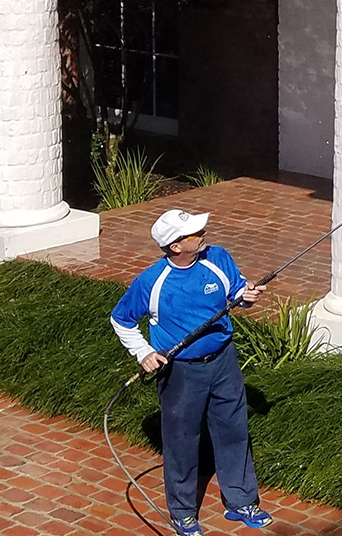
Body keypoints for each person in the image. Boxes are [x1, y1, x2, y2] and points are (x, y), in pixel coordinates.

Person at [110, 209, 274, 536]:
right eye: (194, 233)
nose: (203, 234)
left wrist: (246, 297)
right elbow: (121, 319)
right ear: (174, 246)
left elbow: (237, 291)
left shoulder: (217, 257)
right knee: (182, 441)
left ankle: (241, 501)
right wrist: (144, 353)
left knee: (233, 430)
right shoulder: (151, 282)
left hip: (224, 361)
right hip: (181, 373)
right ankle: (183, 513)